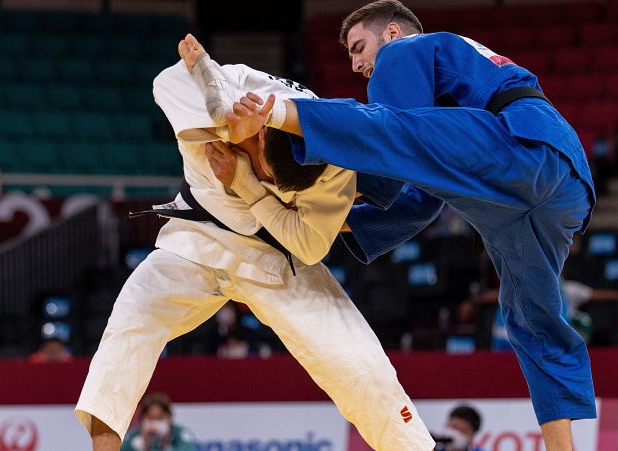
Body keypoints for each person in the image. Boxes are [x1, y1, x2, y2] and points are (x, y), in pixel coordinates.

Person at [223, 0, 598, 447]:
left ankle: (276, 112)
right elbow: (419, 203)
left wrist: (287, 140)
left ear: (394, 32)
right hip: (560, 191)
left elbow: (391, 132)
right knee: (532, 319)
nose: (357, 63)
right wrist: (327, 221)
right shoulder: (439, 123)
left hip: (521, 143)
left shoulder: (406, 51)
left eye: (359, 47)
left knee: (385, 127)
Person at [76, 35, 435, 451]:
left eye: (281, 187)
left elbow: (307, 244)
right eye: (269, 174)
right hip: (198, 237)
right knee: (132, 321)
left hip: (278, 255)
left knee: (360, 367)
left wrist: (249, 184)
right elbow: (166, 83)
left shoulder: (336, 167)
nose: (270, 182)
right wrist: (226, 121)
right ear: (261, 136)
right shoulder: (224, 95)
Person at [120, 392, 196, 451]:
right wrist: (142, 442)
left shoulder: (180, 433)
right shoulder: (134, 434)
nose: (155, 423)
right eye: (150, 418)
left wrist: (165, 444)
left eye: (159, 418)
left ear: (169, 416)